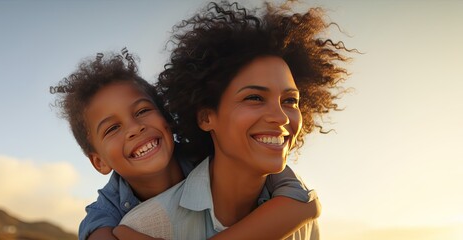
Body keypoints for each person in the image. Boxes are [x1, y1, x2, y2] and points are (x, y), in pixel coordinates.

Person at [114, 1, 353, 240]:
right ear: (207, 117)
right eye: (255, 98)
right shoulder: (146, 227)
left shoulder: (303, 220)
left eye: (290, 101)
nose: (280, 116)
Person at [52, 49, 319, 240]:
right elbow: (97, 227)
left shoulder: (206, 153)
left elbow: (298, 198)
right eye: (112, 128)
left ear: (167, 118)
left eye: (143, 111)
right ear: (99, 161)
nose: (135, 129)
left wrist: (305, 207)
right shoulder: (115, 208)